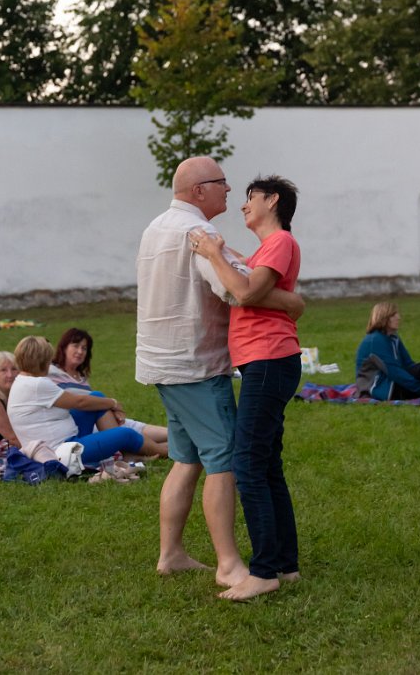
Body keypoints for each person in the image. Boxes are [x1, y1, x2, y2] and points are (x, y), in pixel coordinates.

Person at [135, 156, 304, 590]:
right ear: (199, 191)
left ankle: (171, 554)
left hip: (161, 363)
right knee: (225, 458)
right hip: (195, 366)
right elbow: (237, 289)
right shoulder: (199, 232)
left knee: (186, 459)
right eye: (223, 183)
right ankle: (229, 564)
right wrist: (292, 302)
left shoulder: (155, 228)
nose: (229, 191)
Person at [192, 175, 303, 602]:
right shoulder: (266, 249)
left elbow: (246, 292)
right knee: (267, 464)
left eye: (250, 198)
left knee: (249, 464)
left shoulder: (280, 242)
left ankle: (263, 571)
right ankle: (285, 564)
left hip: (269, 360)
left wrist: (213, 253)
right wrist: (229, 256)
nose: (243, 205)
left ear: (272, 201)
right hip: (267, 362)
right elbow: (252, 281)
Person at [8, 336, 145, 465]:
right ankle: (158, 452)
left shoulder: (23, 380)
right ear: (42, 361)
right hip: (63, 453)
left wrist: (106, 403)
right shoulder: (37, 384)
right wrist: (113, 403)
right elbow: (79, 402)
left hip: (64, 442)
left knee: (96, 397)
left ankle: (127, 452)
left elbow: (80, 402)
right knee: (126, 434)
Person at [48, 327, 168, 458]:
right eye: (76, 346)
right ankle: (164, 450)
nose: (80, 351)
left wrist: (111, 408)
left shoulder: (82, 379)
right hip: (71, 426)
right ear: (64, 347)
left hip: (93, 420)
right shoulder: (51, 371)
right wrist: (113, 403)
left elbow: (92, 404)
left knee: (127, 424)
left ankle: (174, 440)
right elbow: (81, 402)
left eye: (84, 348)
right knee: (124, 429)